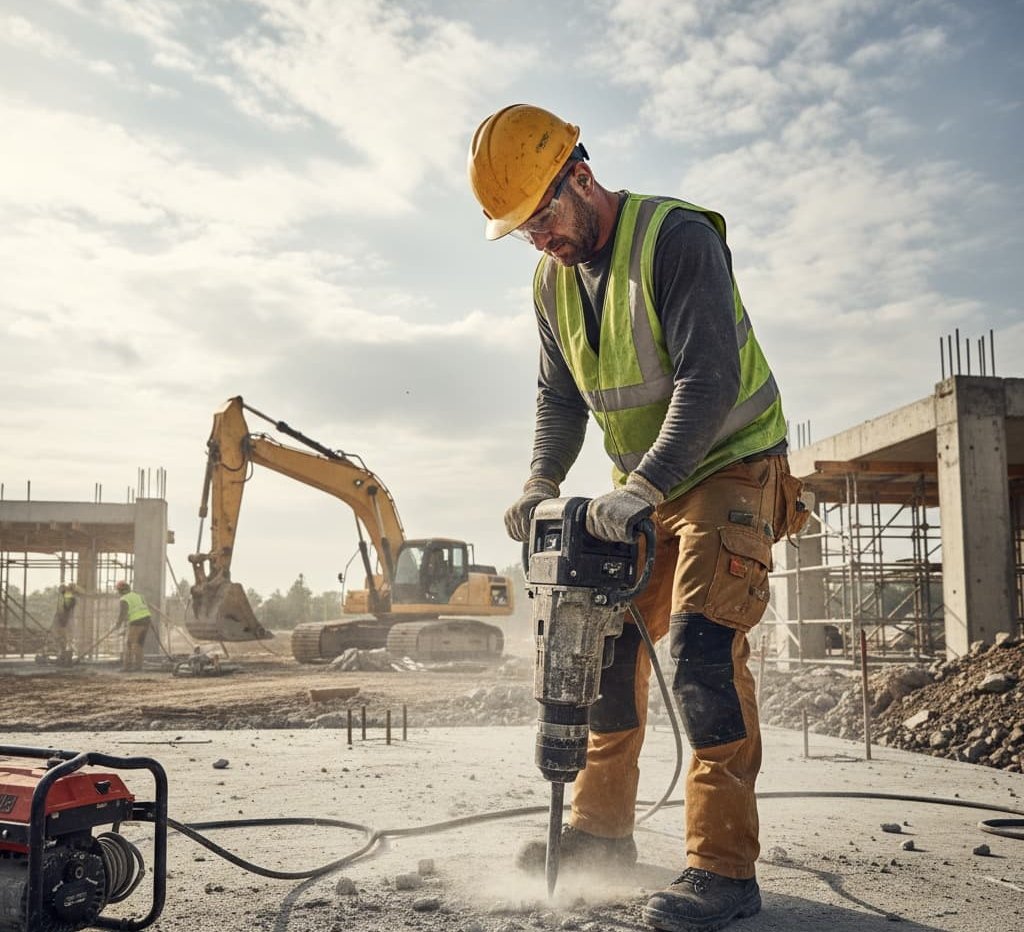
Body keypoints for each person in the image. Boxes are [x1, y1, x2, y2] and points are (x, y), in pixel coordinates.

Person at [467, 104, 804, 932]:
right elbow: (559, 396)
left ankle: (723, 870)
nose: (539, 238)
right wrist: (540, 478)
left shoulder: (677, 239)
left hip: (729, 467)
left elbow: (709, 380)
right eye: (522, 230)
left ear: (580, 177)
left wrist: (643, 486)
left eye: (543, 215)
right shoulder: (550, 280)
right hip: (644, 487)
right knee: (609, 648)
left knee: (701, 655)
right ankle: (598, 833)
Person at [115, 580, 152, 672]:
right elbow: (144, 608)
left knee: (130, 644)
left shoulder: (124, 599)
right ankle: (139, 667)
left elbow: (122, 614)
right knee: (139, 644)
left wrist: (118, 624)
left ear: (120, 590)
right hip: (146, 620)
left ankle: (127, 667)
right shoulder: (138, 596)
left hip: (137, 622)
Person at [52, 583, 78, 661]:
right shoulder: (67, 595)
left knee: (65, 638)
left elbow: (66, 609)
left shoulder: (68, 595)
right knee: (65, 639)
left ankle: (65, 655)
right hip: (64, 619)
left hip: (64, 620)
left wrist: (62, 620)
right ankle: (64, 655)